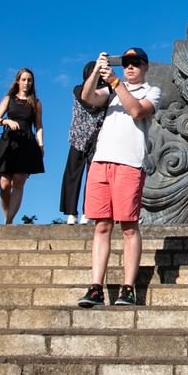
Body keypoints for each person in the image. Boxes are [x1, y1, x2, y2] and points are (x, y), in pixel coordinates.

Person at [77, 47, 160, 308]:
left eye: (135, 63)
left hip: (130, 164)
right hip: (101, 162)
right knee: (101, 226)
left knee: (128, 226)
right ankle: (95, 287)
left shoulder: (152, 91)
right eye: (125, 63)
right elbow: (87, 97)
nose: (130, 67)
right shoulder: (111, 91)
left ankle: (128, 287)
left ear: (145, 67)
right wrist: (97, 73)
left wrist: (115, 82)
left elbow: (137, 111)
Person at [0, 68, 45, 224]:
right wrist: (7, 121)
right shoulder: (9, 98)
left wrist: (41, 144)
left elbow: (39, 125)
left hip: (27, 143)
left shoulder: (36, 103)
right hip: (9, 143)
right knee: (4, 184)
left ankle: (8, 221)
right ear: (18, 81)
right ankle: (6, 215)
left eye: (29, 80)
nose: (27, 83)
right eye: (24, 79)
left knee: (18, 181)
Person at [58, 61, 107, 224]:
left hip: (98, 137)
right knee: (73, 174)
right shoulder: (78, 89)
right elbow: (89, 103)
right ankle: (70, 212)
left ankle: (88, 211)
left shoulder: (107, 91)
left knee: (93, 176)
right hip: (78, 136)